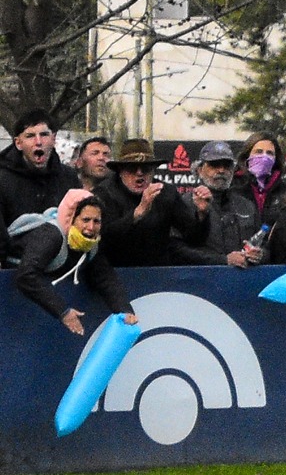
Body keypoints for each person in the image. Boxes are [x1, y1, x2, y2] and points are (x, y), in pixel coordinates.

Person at [10, 190, 136, 336]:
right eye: (85, 220)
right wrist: (63, 311)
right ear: (71, 218)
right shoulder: (50, 236)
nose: (90, 228)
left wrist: (125, 311)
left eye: (97, 221)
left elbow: (105, 278)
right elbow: (25, 276)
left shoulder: (91, 245)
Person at [95, 139, 210, 265]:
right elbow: (103, 238)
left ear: (154, 170)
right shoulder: (104, 193)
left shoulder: (166, 192)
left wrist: (202, 214)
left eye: (146, 169)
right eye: (132, 169)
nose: (139, 174)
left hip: (156, 271)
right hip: (115, 269)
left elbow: (194, 239)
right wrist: (136, 214)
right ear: (120, 171)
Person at [0, 111, 79, 241]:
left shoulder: (68, 177)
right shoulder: (3, 179)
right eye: (30, 136)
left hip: (60, 256)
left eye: (44, 135)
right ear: (18, 143)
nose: (38, 142)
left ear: (53, 139)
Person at [186, 140, 266, 266]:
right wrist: (223, 260)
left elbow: (266, 247)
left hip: (243, 278)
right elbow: (177, 250)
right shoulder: (185, 203)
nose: (221, 170)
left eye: (227, 165)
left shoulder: (246, 206)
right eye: (214, 165)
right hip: (200, 280)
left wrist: (259, 254)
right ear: (200, 170)